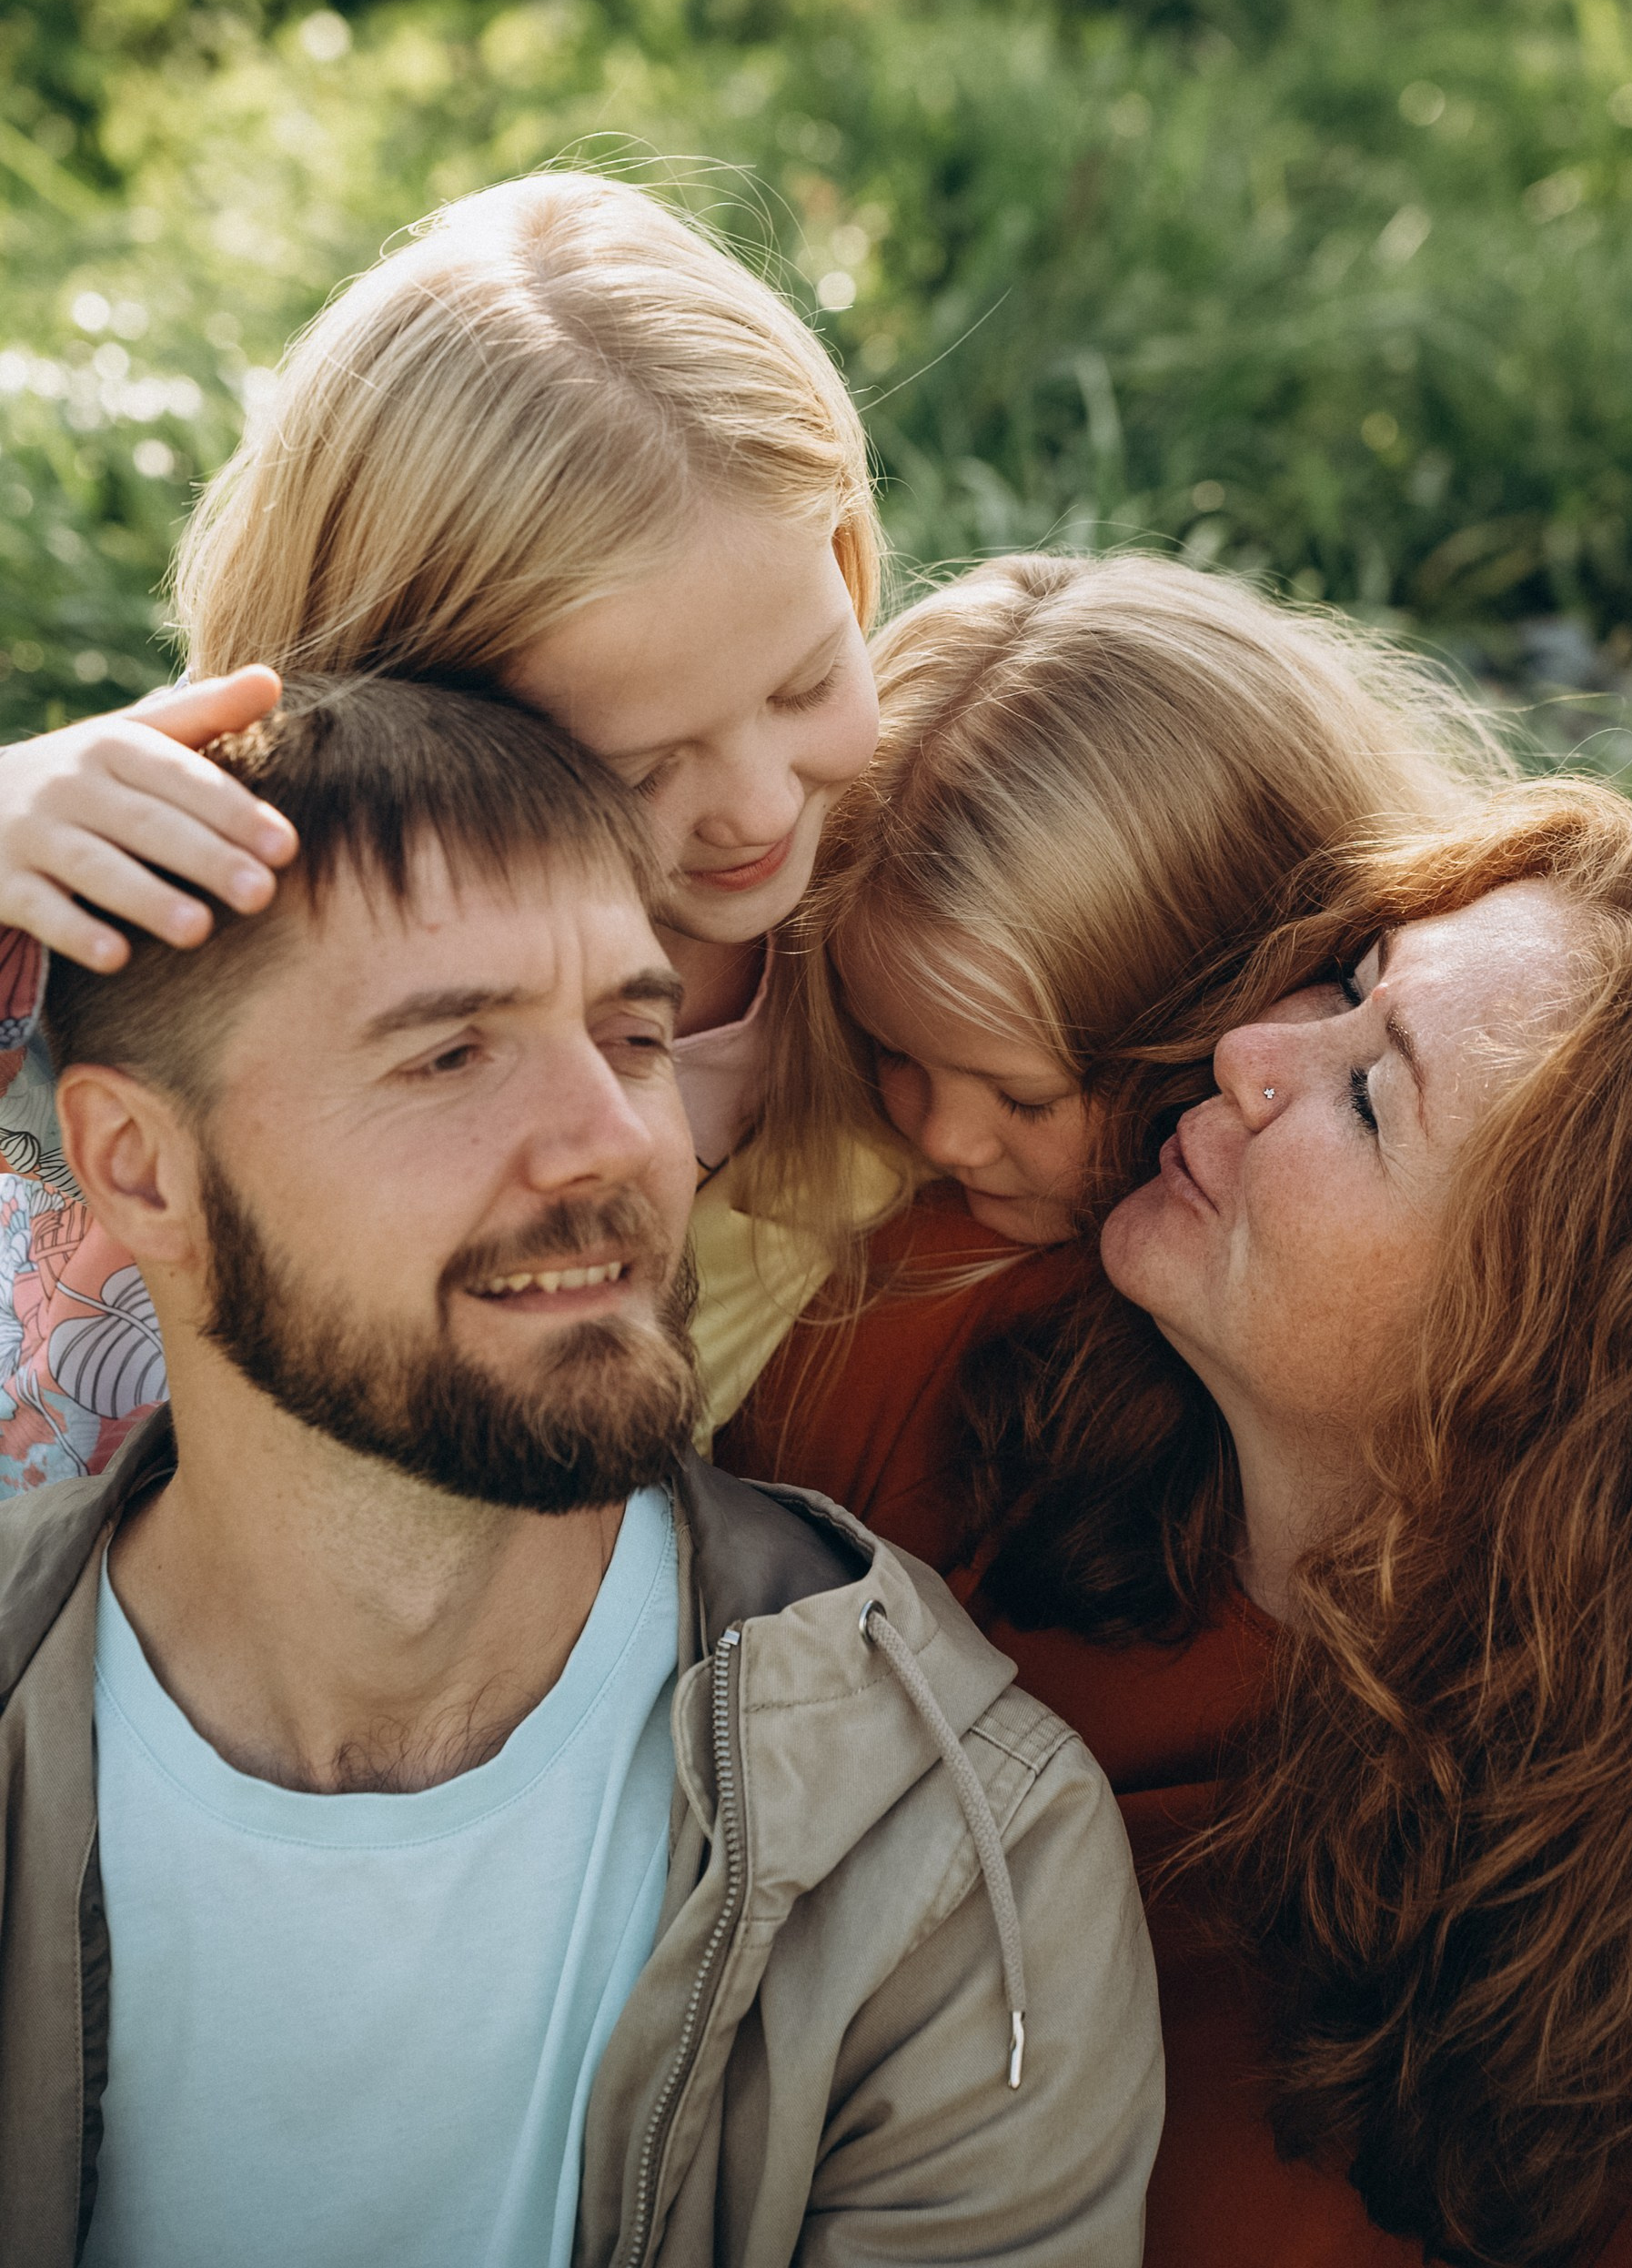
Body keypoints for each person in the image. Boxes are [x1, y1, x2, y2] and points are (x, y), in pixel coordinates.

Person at [0, 673, 1161, 2268]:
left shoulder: (948, 1852)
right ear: (143, 1165)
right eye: (452, 1053)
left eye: (633, 1031)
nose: (614, 1138)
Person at [744, 773, 1632, 2264]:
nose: (1246, 1047)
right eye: (1346, 976)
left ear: (1552, 1371)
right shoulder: (934, 1331)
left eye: (1373, 1092)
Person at [0, 167, 889, 1491]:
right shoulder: (197, 879)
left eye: (808, 682)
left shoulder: (907, 914)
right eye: (641, 771)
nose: (759, 808)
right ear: (411, 723)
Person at [721, 548, 1506, 1577]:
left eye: (1024, 1096)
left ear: (1237, 1009)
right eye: (890, 1050)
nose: (942, 1134)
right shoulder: (876, 1294)